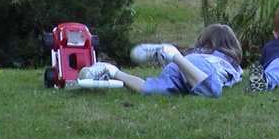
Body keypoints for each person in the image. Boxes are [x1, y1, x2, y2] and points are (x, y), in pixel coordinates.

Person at [79, 23, 244, 97]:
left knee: (150, 88)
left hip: (182, 66)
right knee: (212, 90)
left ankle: (111, 70)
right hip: (200, 69)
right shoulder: (226, 60)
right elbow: (237, 75)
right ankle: (172, 53)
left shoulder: (195, 54)